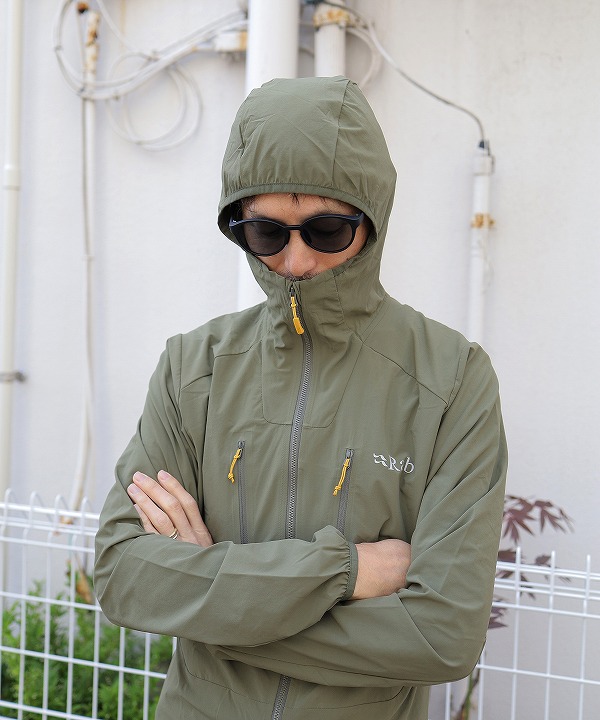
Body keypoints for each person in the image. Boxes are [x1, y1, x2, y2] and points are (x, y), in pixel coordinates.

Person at [94, 75, 507, 720]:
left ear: (371, 219)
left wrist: (210, 599)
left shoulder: (452, 379)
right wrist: (344, 572)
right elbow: (125, 575)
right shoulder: (193, 367)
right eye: (266, 233)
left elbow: (440, 636)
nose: (295, 261)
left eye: (327, 230)